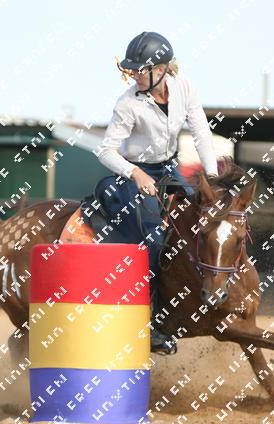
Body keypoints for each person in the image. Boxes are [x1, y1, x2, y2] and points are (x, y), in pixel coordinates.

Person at [96, 31, 219, 355]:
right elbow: (105, 151)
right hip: (133, 172)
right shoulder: (127, 104)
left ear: (162, 69)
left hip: (168, 169)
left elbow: (202, 133)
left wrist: (212, 177)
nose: (134, 75)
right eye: (132, 70)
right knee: (152, 239)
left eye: (140, 70)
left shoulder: (186, 88)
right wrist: (135, 174)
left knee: (204, 223)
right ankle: (148, 324)